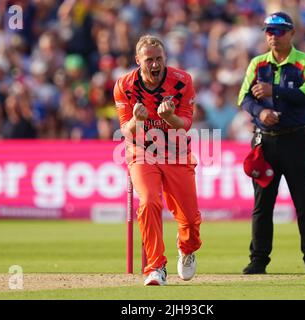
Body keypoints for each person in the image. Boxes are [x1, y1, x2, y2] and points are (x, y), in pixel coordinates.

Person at [237, 12, 305, 274]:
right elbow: (244, 98)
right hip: (265, 141)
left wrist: (273, 91)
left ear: (291, 33)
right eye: (269, 31)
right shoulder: (257, 63)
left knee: (304, 202)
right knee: (262, 204)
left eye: (279, 31)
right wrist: (260, 113)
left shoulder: (304, 62)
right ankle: (259, 260)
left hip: (295, 139)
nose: (273, 36)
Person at [114, 35, 202, 286]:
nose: (155, 65)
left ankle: (187, 249)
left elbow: (185, 124)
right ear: (138, 61)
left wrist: (171, 117)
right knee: (149, 202)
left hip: (176, 152)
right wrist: (136, 121)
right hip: (142, 151)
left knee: (189, 218)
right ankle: (155, 267)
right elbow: (125, 131)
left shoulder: (182, 81)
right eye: (149, 60)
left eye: (159, 59)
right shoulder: (125, 85)